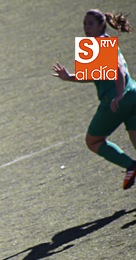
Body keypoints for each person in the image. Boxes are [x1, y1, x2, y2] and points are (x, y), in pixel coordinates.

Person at [52, 10, 136, 190]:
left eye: (90, 23)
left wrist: (119, 94)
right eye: (84, 24)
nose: (86, 27)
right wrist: (69, 77)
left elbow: (118, 69)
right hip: (133, 95)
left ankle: (130, 165)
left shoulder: (99, 44)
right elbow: (93, 75)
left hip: (115, 101)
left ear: (101, 25)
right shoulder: (100, 43)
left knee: (93, 141)